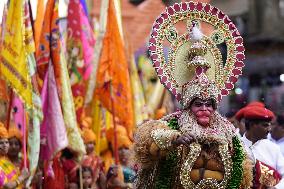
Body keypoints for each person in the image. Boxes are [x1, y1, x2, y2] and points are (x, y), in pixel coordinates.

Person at [133, 2, 253, 188]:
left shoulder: (228, 132)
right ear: (188, 105)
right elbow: (146, 142)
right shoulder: (173, 124)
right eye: (199, 104)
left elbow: (242, 169)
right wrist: (174, 139)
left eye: (209, 104)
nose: (205, 109)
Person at [237, 104, 284, 188]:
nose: (269, 129)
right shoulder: (236, 147)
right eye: (265, 125)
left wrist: (276, 188)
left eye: (270, 125)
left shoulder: (272, 148)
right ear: (252, 125)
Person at [0, 122, 29, 188]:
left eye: (6, 142)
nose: (5, 145)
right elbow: (7, 186)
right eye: (1, 143)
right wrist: (22, 177)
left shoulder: (5, 160)